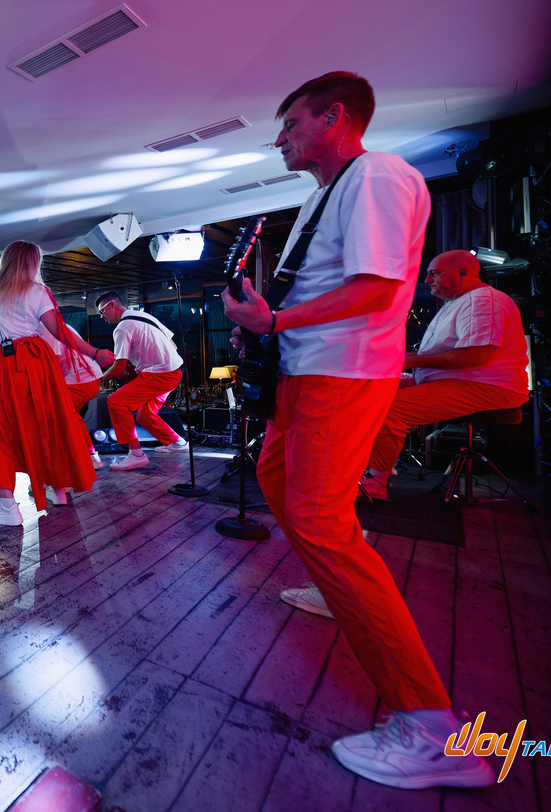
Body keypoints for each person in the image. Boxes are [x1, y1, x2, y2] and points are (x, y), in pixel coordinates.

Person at [221, 71, 494, 790]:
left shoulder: (377, 176)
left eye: (290, 124)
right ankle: (337, 583)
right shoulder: (327, 194)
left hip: (339, 375)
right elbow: (317, 286)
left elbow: (375, 288)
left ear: (334, 117)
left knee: (320, 523)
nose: (280, 139)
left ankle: (435, 730)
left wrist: (277, 319)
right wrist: (262, 319)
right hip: (304, 372)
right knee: (279, 485)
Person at [0, 241, 114, 524]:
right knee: (46, 422)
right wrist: (94, 352)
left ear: (6, 260)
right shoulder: (37, 291)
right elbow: (59, 331)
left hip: (8, 362)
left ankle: (7, 504)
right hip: (39, 360)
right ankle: (57, 488)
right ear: (34, 263)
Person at [357, 250, 529, 501]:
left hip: (488, 387)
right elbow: (445, 351)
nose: (427, 280)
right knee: (370, 392)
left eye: (434, 273)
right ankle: (375, 463)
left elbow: (475, 356)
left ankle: (376, 482)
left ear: (463, 273)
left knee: (390, 409)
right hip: (459, 381)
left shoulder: (482, 302)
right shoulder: (461, 301)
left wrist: (407, 360)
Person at [94, 292, 187, 470]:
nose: (101, 317)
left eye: (102, 311)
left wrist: (99, 379)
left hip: (159, 375)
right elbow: (173, 345)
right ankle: (178, 443)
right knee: (145, 415)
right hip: (175, 372)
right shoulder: (144, 316)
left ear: (112, 305)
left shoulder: (122, 328)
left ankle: (136, 454)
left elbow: (119, 367)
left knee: (116, 401)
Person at [46, 323, 106, 469]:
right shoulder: (54, 323)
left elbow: (53, 363)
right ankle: (88, 457)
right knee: (68, 418)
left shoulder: (45, 326)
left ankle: (87, 457)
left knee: (54, 415)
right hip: (90, 378)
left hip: (81, 381)